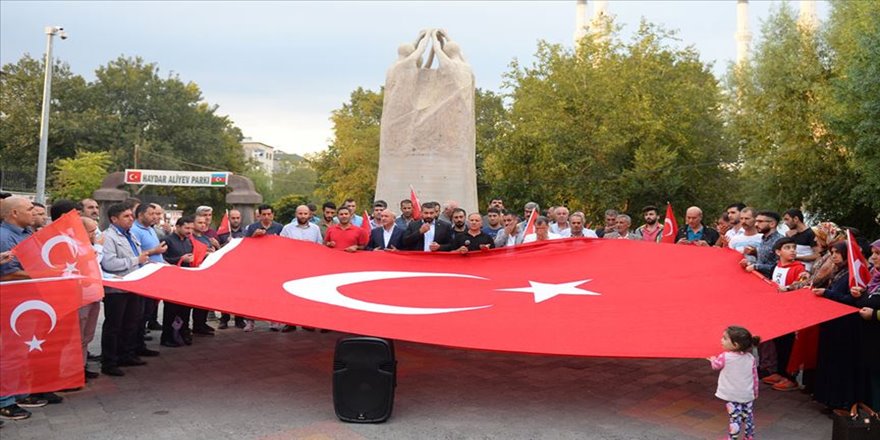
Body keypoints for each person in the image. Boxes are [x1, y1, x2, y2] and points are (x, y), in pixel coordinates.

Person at [0, 196, 56, 420]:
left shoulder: (27, 234)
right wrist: (45, 274)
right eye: (29, 209)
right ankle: (5, 400)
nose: (34, 212)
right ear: (14, 213)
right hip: (14, 304)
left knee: (24, 352)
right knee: (12, 354)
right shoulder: (5, 237)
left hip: (31, 302)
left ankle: (20, 393)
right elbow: (8, 273)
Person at [100, 203, 159, 377]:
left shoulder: (130, 235)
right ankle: (109, 361)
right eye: (126, 216)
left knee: (131, 322)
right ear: (114, 219)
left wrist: (146, 263)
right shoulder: (108, 237)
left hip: (134, 284)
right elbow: (109, 263)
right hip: (117, 288)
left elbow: (139, 257)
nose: (131, 219)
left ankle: (127, 354)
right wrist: (136, 260)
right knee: (114, 325)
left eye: (131, 216)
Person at [811, 241, 860, 410]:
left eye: (837, 252)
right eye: (832, 252)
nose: (834, 256)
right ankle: (828, 399)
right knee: (828, 361)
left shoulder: (853, 274)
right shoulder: (837, 271)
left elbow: (852, 300)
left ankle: (841, 402)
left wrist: (827, 293)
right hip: (831, 323)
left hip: (844, 326)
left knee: (840, 364)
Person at [761, 238, 806, 392]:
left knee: (789, 345)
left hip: (791, 312)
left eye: (794, 247)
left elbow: (802, 285)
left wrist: (787, 289)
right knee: (779, 343)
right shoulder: (777, 266)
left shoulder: (799, 268)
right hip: (778, 311)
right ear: (778, 252)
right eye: (787, 247)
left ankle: (790, 377)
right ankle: (779, 373)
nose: (792, 250)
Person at [708, 326, 760, 440]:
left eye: (725, 338)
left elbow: (716, 366)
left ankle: (732, 438)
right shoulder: (750, 358)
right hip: (747, 394)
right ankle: (749, 436)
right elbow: (755, 377)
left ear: (735, 345)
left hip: (732, 395)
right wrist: (755, 392)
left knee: (735, 418)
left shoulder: (725, 357)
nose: (721, 340)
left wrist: (712, 359)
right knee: (748, 416)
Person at [851, 239, 880, 410]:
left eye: (877, 254)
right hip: (872, 341)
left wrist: (875, 315)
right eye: (873, 253)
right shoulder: (875, 278)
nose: (872, 258)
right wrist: (861, 294)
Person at [130, 203, 168, 334]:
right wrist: (155, 250)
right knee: (140, 313)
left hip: (154, 274)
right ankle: (136, 341)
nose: (154, 217)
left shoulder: (151, 229)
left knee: (148, 310)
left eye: (156, 214)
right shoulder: (135, 230)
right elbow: (137, 254)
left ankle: (140, 338)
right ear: (140, 215)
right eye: (151, 214)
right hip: (143, 275)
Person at [160, 216, 197, 345]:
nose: (189, 231)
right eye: (187, 228)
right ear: (178, 227)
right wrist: (180, 259)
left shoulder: (189, 241)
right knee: (171, 310)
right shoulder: (166, 240)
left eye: (191, 228)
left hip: (186, 280)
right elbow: (161, 259)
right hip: (171, 281)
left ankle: (182, 333)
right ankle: (168, 337)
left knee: (185, 310)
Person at [740, 211, 783, 278]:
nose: (756, 224)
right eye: (756, 221)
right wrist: (749, 263)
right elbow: (765, 261)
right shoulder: (763, 239)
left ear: (772, 224)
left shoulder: (780, 241)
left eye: (760, 221)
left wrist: (756, 266)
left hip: (773, 282)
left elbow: (781, 266)